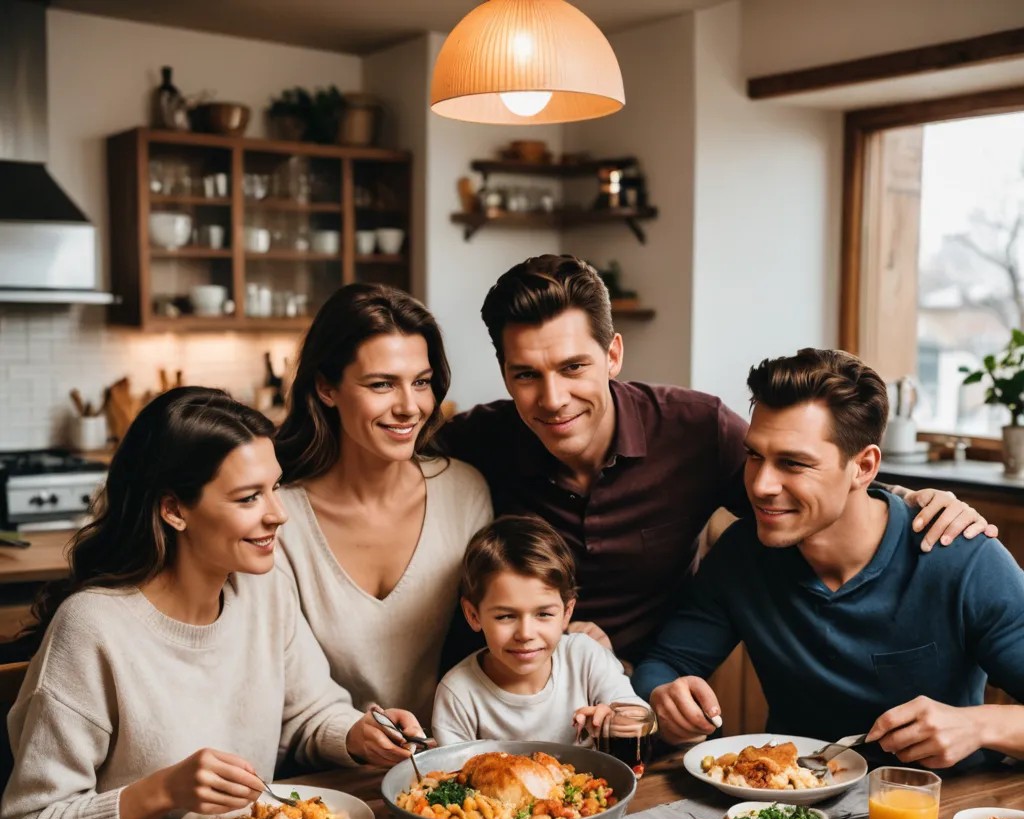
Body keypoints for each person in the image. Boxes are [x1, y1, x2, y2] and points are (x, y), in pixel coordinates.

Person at [439, 254, 996, 664]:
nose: (553, 398)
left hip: (642, 704)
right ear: (504, 374)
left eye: (573, 368)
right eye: (526, 375)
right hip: (497, 701)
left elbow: (807, 486)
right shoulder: (477, 439)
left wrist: (911, 500)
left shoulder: (694, 430)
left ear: (612, 355)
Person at [0, 388, 385, 819]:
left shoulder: (264, 589)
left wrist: (359, 734)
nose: (277, 513)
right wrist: (160, 792)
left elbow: (308, 711)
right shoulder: (91, 629)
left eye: (275, 488)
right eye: (249, 498)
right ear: (174, 510)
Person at [631, 349, 1024, 771]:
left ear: (864, 467)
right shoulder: (742, 555)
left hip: (942, 813)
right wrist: (665, 697)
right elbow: (665, 665)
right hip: (790, 806)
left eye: (793, 463)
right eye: (755, 456)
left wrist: (980, 725)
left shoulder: (961, 556)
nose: (761, 485)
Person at [273, 284, 492, 762]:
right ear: (326, 388)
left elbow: (493, 630)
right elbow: (284, 686)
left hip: (450, 765)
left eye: (421, 381)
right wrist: (351, 734)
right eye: (381, 384)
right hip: (322, 782)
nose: (409, 406)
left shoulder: (465, 492)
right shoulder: (276, 518)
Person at [431, 515, 648, 746]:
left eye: (543, 614)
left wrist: (617, 720)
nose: (525, 634)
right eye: (505, 616)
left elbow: (642, 719)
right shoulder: (457, 694)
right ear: (474, 615)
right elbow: (448, 775)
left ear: (566, 613)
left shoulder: (585, 657)